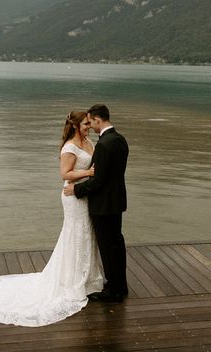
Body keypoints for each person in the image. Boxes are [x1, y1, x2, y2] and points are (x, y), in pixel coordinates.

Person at [0, 111, 104, 326]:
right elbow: (65, 174)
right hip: (72, 195)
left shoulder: (89, 142)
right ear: (75, 125)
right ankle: (72, 282)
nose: (88, 126)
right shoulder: (69, 147)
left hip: (85, 193)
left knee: (87, 233)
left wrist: (91, 176)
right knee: (76, 233)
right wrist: (89, 174)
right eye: (85, 124)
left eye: (88, 123)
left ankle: (88, 279)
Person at [63, 104, 129, 302]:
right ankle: (120, 284)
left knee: (108, 247)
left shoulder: (103, 144)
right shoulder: (120, 140)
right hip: (117, 201)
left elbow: (99, 179)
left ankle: (114, 291)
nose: (90, 126)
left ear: (98, 120)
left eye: (91, 122)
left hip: (103, 205)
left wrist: (76, 189)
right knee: (117, 244)